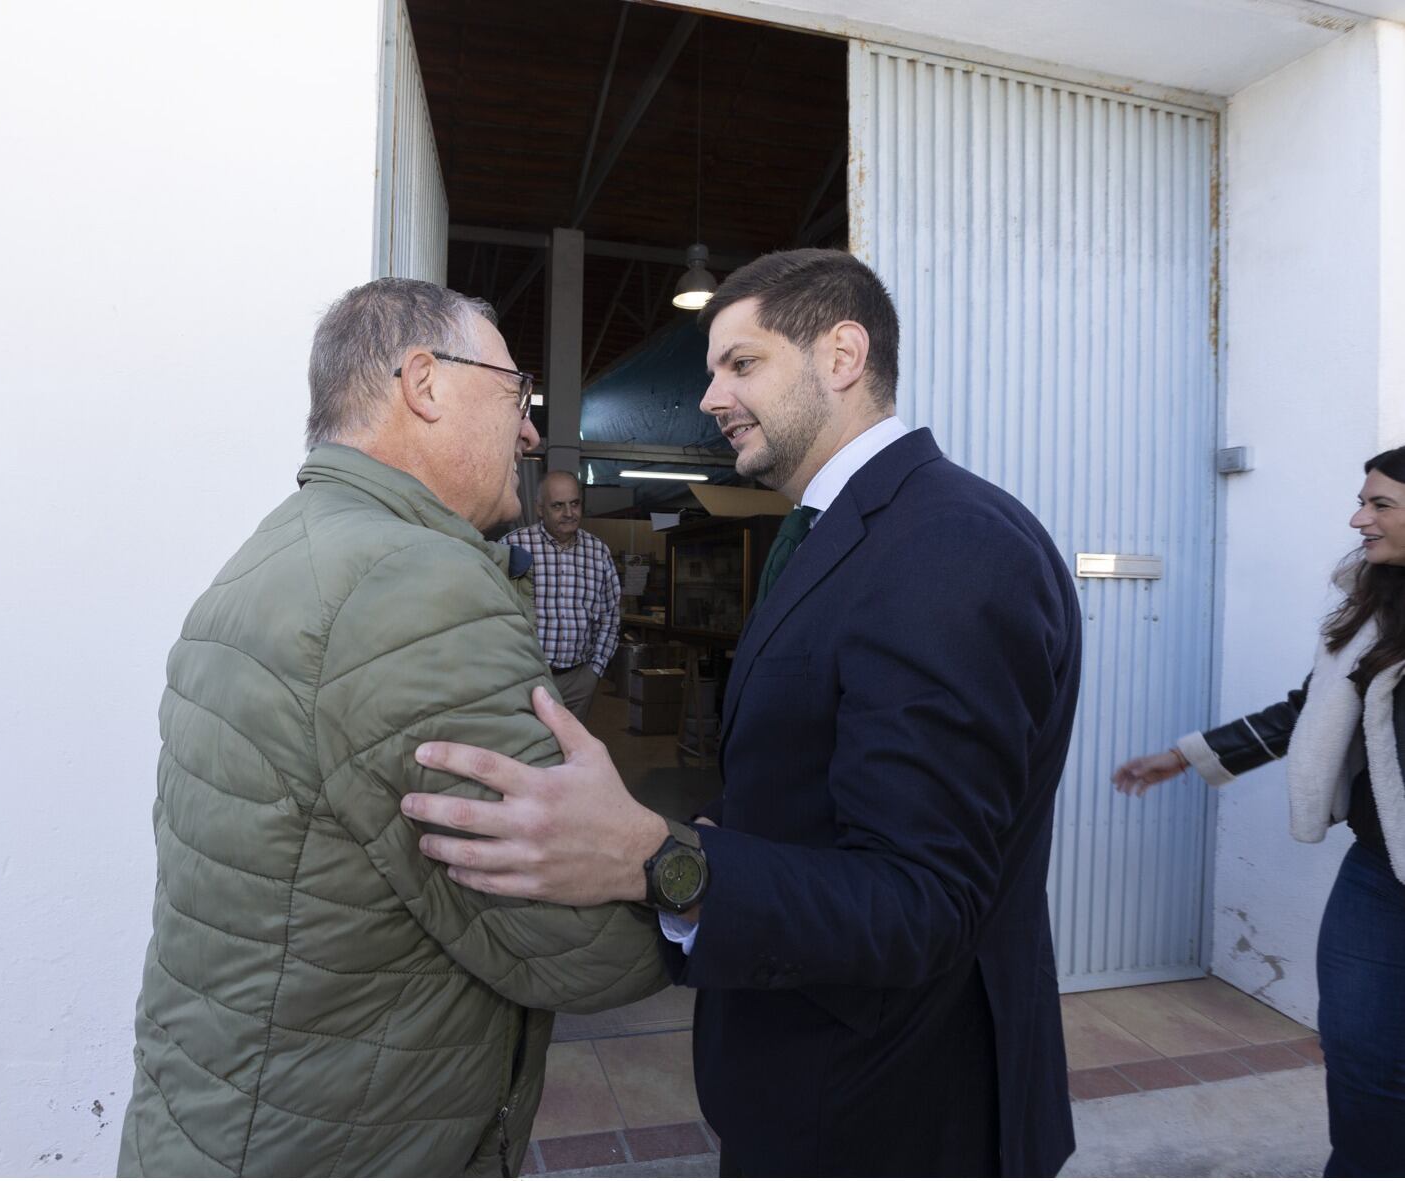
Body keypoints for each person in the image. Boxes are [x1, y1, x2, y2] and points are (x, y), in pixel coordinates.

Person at [401, 249, 1081, 1176]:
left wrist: (655, 860)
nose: (711, 397)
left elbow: (923, 902)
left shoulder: (951, 549)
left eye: (742, 363)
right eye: (711, 369)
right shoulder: (833, 533)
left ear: (843, 355)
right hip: (808, 1079)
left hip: (898, 1113)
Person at [117, 278, 667, 1177]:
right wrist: (678, 869)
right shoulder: (407, 585)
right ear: (426, 382)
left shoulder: (279, 549)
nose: (529, 432)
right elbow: (574, 946)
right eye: (515, 395)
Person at [1112, 446, 1405, 1177]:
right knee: (1361, 1055)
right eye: (1362, 501)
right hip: (1380, 870)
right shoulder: (1374, 607)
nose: (1357, 518)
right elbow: (1311, 711)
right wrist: (1185, 755)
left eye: (1380, 505)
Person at [501, 471, 621, 720]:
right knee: (529, 752)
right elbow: (491, 611)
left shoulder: (598, 552)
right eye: (558, 506)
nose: (569, 513)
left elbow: (610, 616)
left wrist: (595, 670)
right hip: (526, 679)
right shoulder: (513, 547)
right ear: (540, 509)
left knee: (572, 752)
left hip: (579, 680)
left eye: (574, 503)